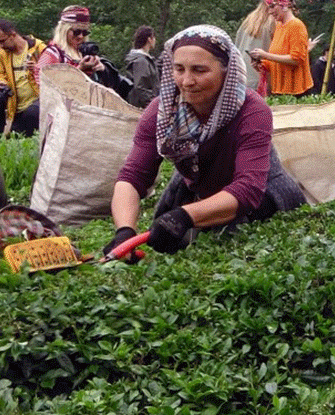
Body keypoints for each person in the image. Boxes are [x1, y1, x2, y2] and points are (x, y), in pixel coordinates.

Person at [104, 25, 306, 259]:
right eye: (179, 69)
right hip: (197, 194)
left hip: (261, 198)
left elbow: (248, 187)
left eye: (199, 70)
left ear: (226, 72)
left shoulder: (252, 110)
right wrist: (125, 231)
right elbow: (133, 176)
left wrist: (185, 216)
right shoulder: (160, 111)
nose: (187, 81)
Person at [249, 0, 313, 97]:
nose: (270, 12)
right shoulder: (279, 26)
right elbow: (277, 59)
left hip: (296, 92)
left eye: (272, 7)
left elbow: (296, 59)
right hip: (279, 91)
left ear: (285, 5)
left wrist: (265, 55)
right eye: (268, 8)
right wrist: (261, 64)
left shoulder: (296, 26)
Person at [235, 0, 293, 94]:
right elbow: (285, 55)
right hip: (264, 83)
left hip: (242, 80)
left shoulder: (249, 20)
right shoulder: (277, 22)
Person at [34, 5, 105, 87]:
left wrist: (102, 70)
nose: (81, 36)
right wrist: (79, 70)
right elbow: (42, 82)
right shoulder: (54, 53)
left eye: (85, 33)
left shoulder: (85, 51)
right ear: (64, 30)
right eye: (76, 32)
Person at [0, 19, 46, 137]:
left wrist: (37, 69)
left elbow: (53, 73)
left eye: (2, 41)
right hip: (15, 108)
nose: (1, 45)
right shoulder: (3, 54)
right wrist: (3, 83)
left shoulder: (38, 48)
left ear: (13, 35)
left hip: (38, 106)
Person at [124, 25, 160, 108]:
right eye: (154, 37)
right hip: (141, 107)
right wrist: (153, 104)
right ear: (149, 39)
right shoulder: (141, 61)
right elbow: (140, 87)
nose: (155, 40)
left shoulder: (145, 59)